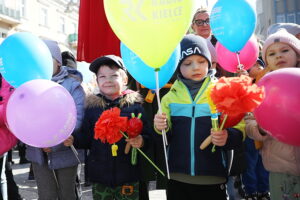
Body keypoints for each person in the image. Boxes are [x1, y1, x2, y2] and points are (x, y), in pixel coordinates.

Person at [154, 34, 244, 200]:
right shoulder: (170, 96)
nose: (196, 67)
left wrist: (228, 136)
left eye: (202, 61)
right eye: (188, 63)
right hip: (177, 175)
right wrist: (160, 127)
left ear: (210, 63)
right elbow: (165, 136)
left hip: (213, 176)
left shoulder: (222, 90)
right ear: (178, 66)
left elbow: (240, 128)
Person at [70, 55, 151, 200]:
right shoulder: (92, 108)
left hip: (129, 175)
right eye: (102, 76)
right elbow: (86, 139)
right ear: (96, 81)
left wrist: (142, 140)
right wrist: (73, 139)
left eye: (114, 76)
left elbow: (148, 136)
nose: (108, 80)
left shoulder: (135, 107)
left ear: (125, 80)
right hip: (100, 176)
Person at [26, 40, 85, 200]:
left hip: (65, 151)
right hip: (38, 153)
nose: (41, 62)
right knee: (46, 195)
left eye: (46, 58)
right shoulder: (28, 84)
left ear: (58, 61)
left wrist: (54, 141)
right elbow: (24, 116)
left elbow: (77, 118)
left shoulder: (73, 86)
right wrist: (37, 140)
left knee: (67, 194)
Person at [245, 30, 300, 200]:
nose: (279, 56)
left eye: (285, 50)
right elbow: (249, 123)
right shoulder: (261, 87)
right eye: (272, 53)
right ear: (266, 60)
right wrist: (261, 128)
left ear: (297, 55)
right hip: (279, 169)